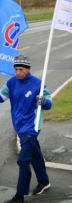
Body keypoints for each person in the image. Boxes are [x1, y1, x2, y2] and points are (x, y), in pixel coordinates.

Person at [0, 55, 52, 203]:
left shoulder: (38, 84)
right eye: (16, 69)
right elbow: (1, 97)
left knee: (23, 160)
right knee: (34, 153)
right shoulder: (11, 83)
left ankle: (20, 196)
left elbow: (49, 103)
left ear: (28, 69)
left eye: (21, 69)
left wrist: (44, 101)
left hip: (32, 126)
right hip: (19, 125)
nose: (18, 72)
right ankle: (44, 181)